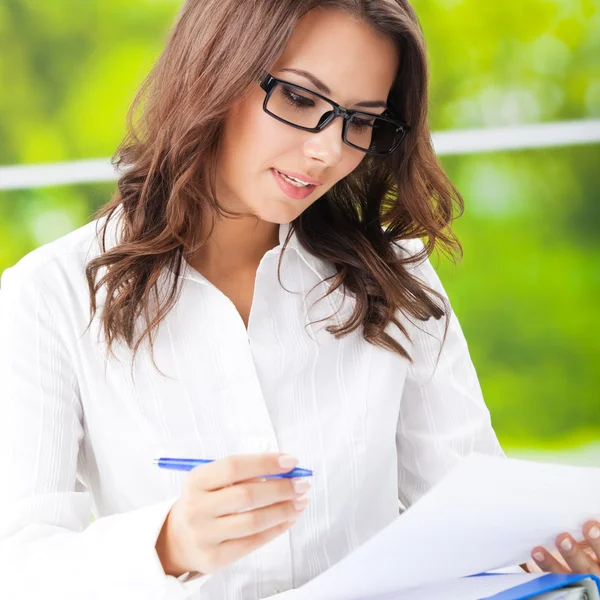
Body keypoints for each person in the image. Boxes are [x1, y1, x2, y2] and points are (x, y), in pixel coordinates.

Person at [1, 1, 598, 598]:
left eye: (361, 121)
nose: (329, 151)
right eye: (299, 100)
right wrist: (169, 543)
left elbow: (473, 513)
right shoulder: (49, 298)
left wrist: (545, 552)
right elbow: (19, 565)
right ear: (214, 71)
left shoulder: (394, 275)